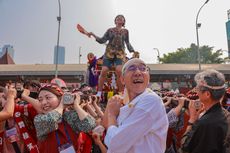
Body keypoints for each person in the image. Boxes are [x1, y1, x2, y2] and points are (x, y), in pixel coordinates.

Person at [102, 58, 169, 153]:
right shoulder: (130, 104)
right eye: (132, 68)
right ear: (122, 79)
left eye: (143, 68)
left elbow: (114, 142)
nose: (138, 72)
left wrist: (112, 115)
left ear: (148, 78)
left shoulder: (151, 101)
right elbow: (106, 126)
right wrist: (110, 106)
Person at [89, 15, 137, 97]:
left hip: (120, 54)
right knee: (104, 71)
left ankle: (121, 93)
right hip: (109, 53)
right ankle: (99, 93)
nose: (119, 19)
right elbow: (102, 40)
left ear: (123, 22)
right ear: (115, 21)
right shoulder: (110, 30)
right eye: (117, 18)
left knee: (119, 71)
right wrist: (93, 35)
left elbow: (127, 42)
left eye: (121, 19)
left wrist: (132, 50)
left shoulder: (125, 31)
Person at [181, 69, 228, 153]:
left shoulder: (204, 123)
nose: (196, 90)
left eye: (198, 88)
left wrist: (192, 120)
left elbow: (184, 147)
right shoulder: (226, 114)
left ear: (207, 94)